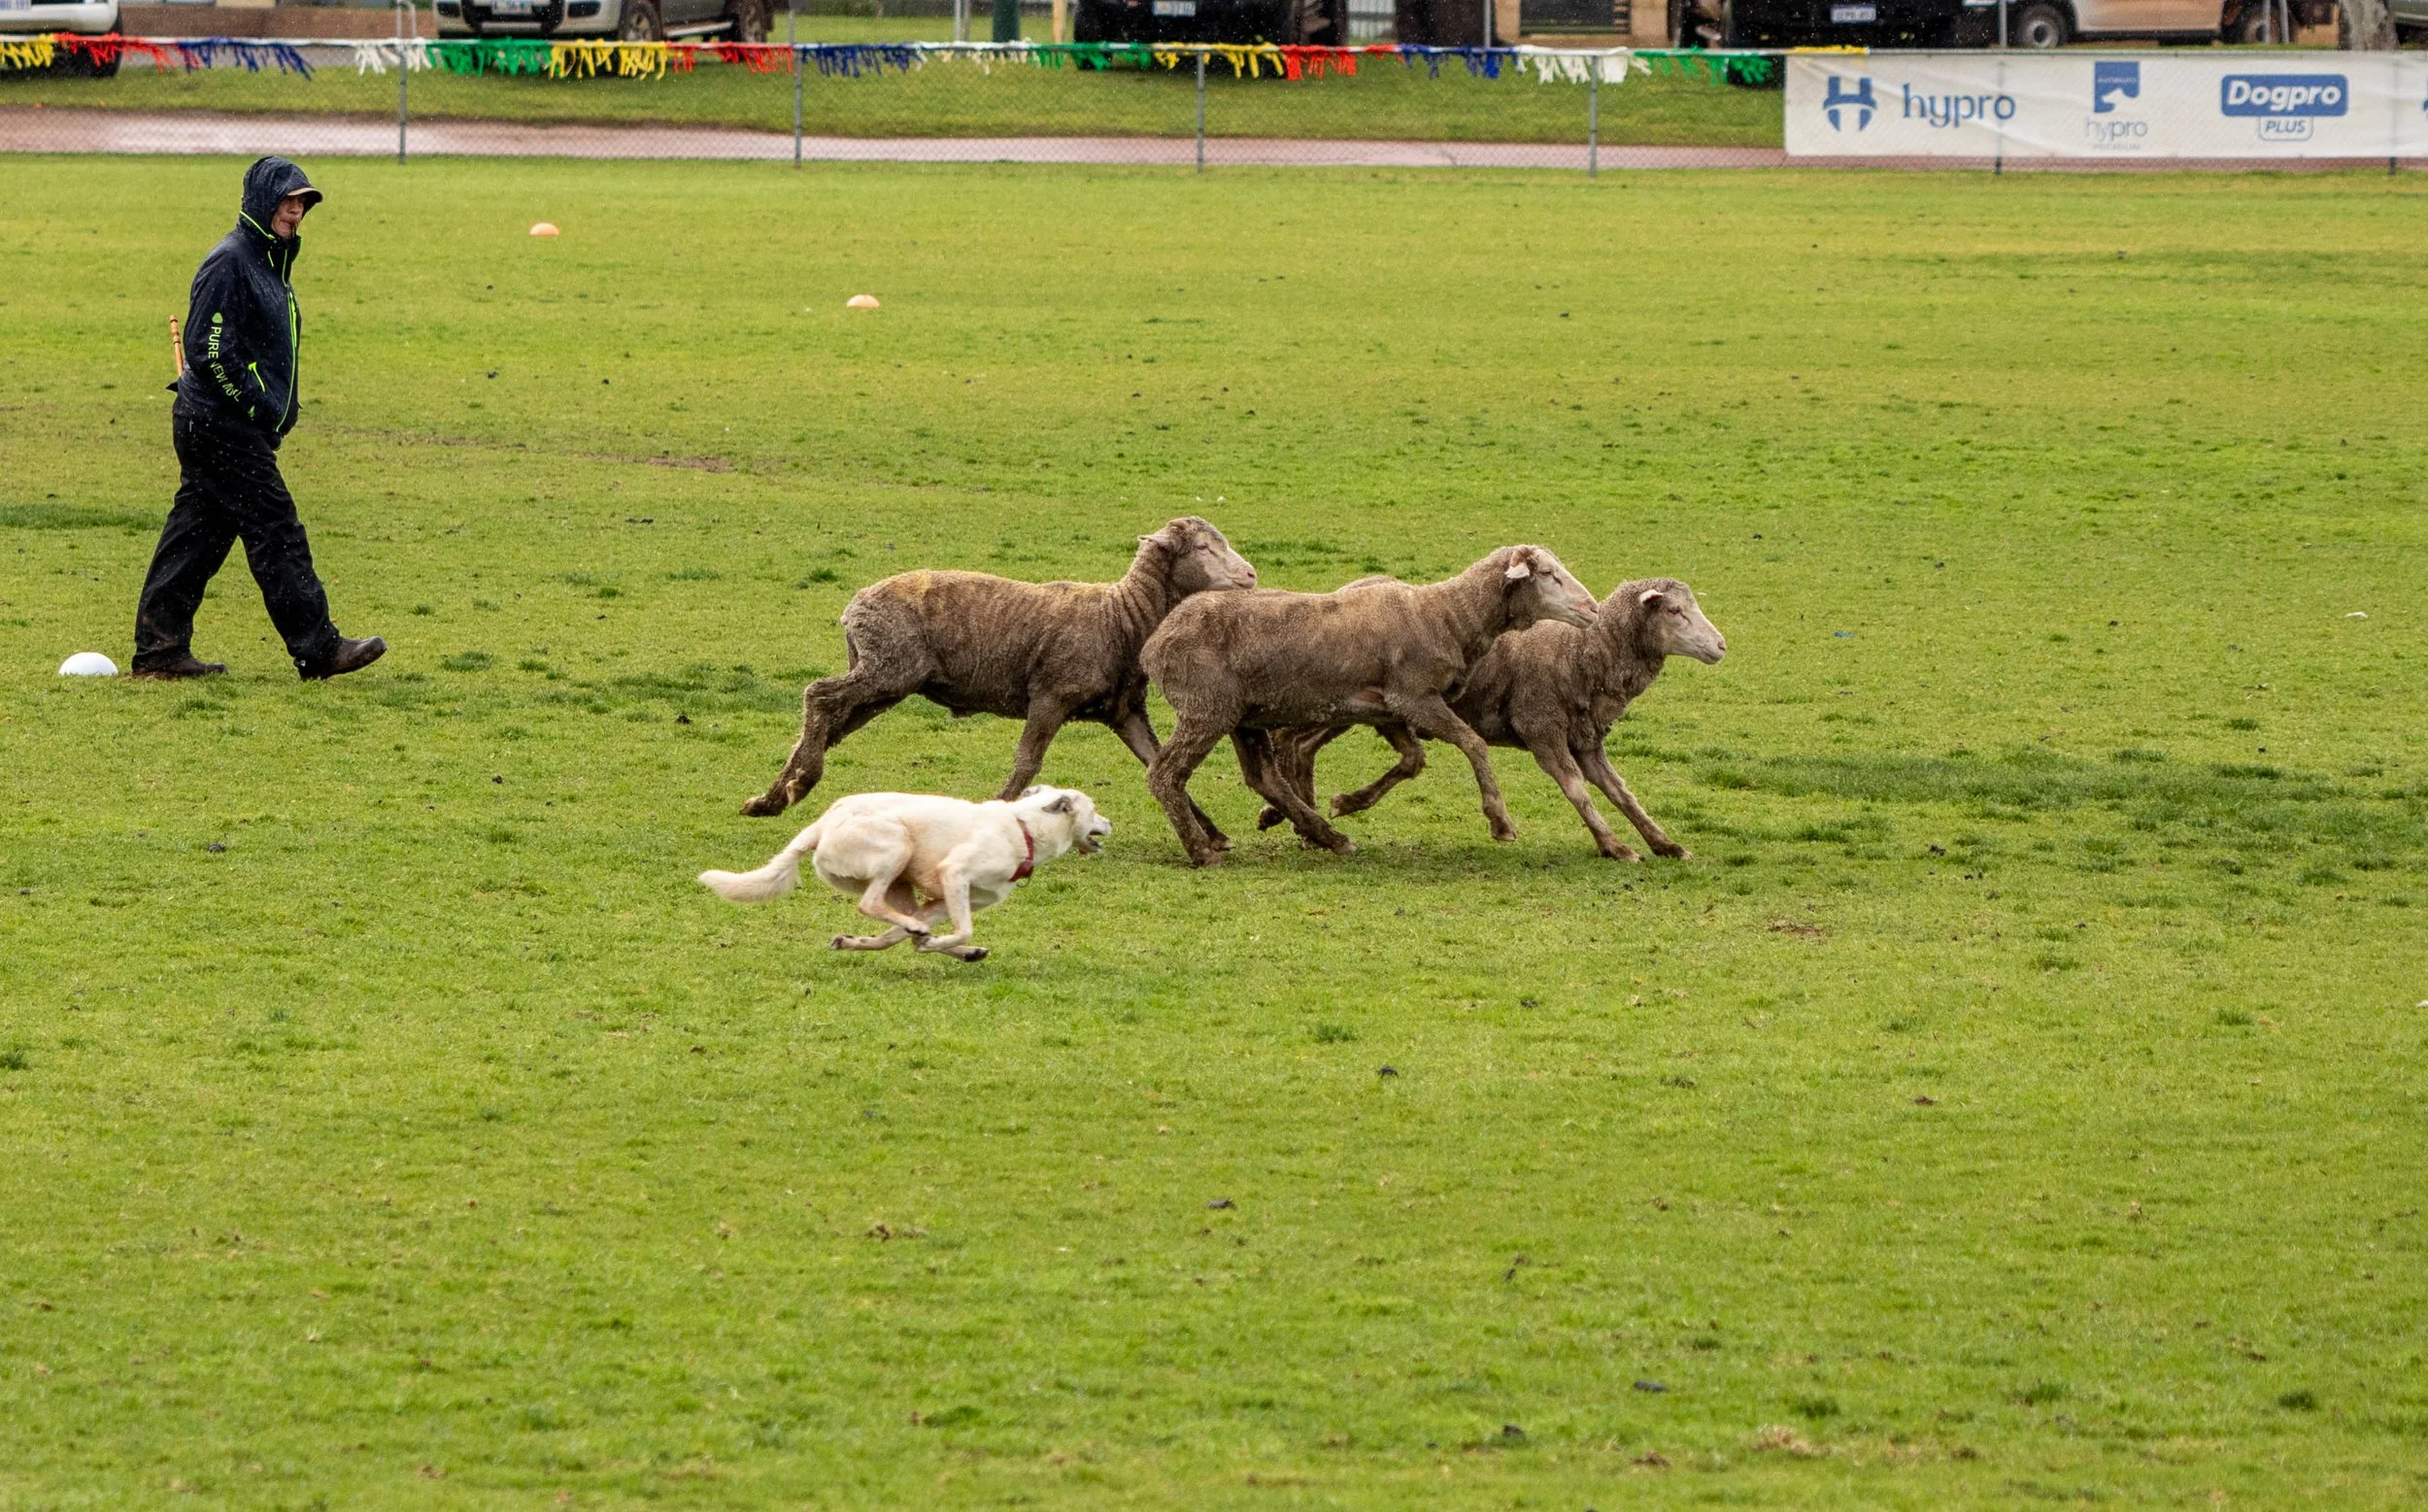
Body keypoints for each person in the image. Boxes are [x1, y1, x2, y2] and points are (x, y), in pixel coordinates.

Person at [132, 156, 384, 682]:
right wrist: (262, 410)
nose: (295, 212)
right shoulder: (231, 262)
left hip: (216, 425)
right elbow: (211, 352)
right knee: (276, 527)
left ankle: (160, 651)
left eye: (301, 203)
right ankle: (318, 649)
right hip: (220, 426)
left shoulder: (268, 262)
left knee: (197, 533)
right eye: (287, 201)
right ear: (260, 202)